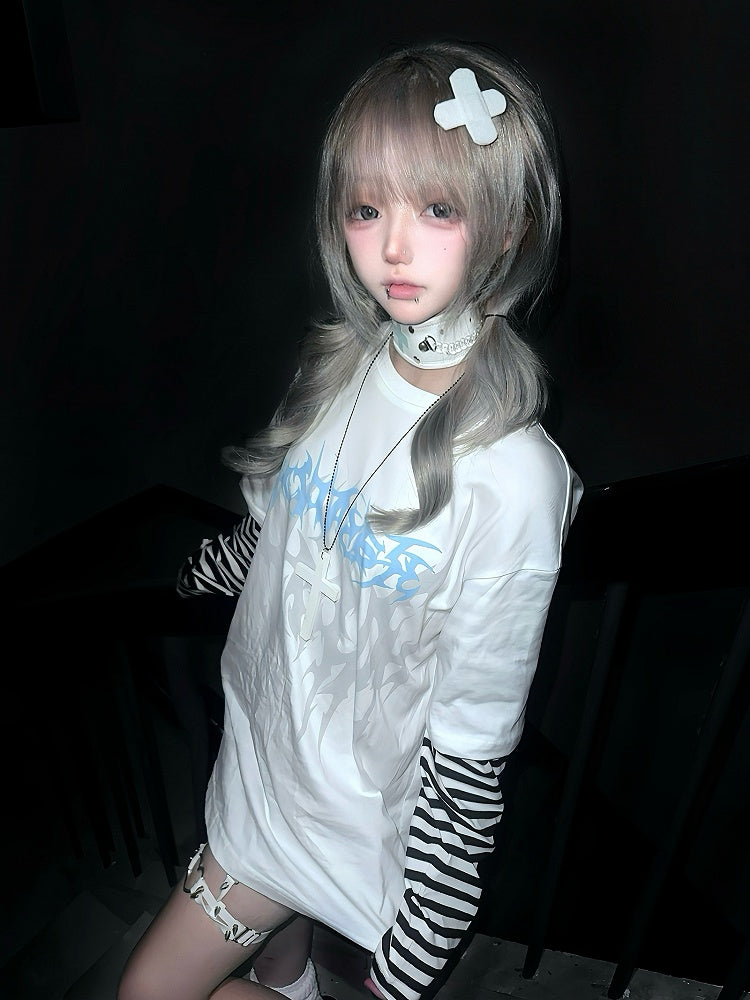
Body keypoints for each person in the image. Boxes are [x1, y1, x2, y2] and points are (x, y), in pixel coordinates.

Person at [118, 39, 582, 1000]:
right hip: (255, 761)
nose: (393, 248)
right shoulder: (336, 369)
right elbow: (279, 532)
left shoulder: (517, 483)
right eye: (367, 209)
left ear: (508, 227)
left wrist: (404, 970)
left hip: (343, 826)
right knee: (251, 971)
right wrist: (200, 572)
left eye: (438, 208)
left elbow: (469, 758)